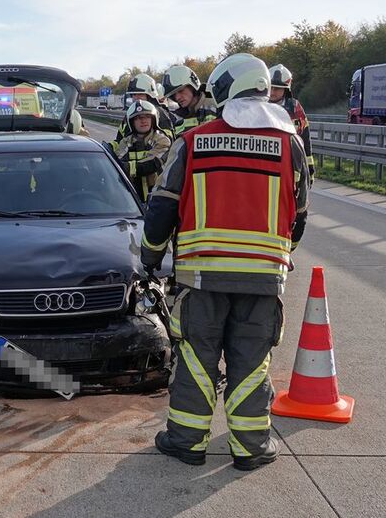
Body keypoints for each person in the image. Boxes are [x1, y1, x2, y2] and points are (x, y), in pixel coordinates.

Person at [142, 53, 310, 471]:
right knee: (252, 362)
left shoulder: (193, 141)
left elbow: (161, 208)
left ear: (225, 90)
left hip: (202, 277)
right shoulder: (291, 144)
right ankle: (251, 449)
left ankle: (186, 442)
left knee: (197, 360)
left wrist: (151, 255)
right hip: (263, 280)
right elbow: (300, 215)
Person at [116, 100, 171, 201]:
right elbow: (119, 163)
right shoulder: (125, 142)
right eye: (138, 118)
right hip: (132, 198)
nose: (143, 120)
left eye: (147, 116)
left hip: (158, 197)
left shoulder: (162, 140)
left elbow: (153, 163)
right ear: (131, 122)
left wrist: (129, 167)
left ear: (153, 119)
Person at [269, 64, 314, 178]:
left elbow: (305, 138)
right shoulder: (259, 107)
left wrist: (309, 168)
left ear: (286, 89)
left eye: (277, 88)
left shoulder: (295, 108)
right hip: (267, 163)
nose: (273, 92)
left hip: (293, 166)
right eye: (271, 87)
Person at [114, 73, 176, 148]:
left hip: (154, 158)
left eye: (140, 94)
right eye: (134, 95)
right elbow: (119, 140)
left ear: (150, 96)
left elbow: (167, 145)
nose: (136, 98)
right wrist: (109, 147)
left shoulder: (160, 114)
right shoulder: (130, 115)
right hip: (127, 159)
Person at [161, 65, 218, 136]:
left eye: (181, 91)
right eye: (174, 95)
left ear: (193, 86)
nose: (177, 97)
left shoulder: (216, 107)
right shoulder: (178, 118)